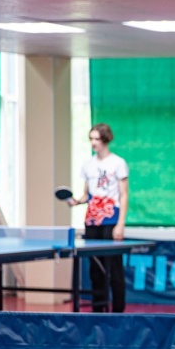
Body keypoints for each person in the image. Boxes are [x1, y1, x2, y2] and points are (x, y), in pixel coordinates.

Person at [66, 123, 129, 313]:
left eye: (97, 139)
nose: (93, 142)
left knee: (114, 268)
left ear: (105, 139)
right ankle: (97, 310)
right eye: (91, 139)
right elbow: (87, 195)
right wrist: (77, 201)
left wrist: (120, 224)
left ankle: (118, 312)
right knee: (95, 268)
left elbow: (124, 195)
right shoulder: (88, 165)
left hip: (111, 220)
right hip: (92, 221)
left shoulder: (118, 163)